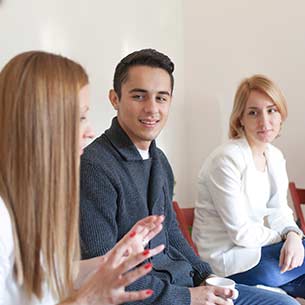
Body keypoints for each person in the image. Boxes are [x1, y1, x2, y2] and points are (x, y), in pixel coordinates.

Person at [80, 50, 299, 305]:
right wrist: (187, 297)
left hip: (184, 286)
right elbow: (105, 274)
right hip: (157, 297)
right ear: (115, 99)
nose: (152, 108)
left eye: (161, 98)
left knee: (285, 304)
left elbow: (173, 233)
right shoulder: (95, 166)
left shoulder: (158, 160)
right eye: (139, 96)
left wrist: (205, 276)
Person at [0, 50, 166, 305]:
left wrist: (112, 260)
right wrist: (87, 300)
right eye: (79, 117)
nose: (89, 132)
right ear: (42, 123)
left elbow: (52, 276)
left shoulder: (32, 201)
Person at [192, 74, 305, 299]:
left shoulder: (274, 156)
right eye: (253, 112)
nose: (264, 121)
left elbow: (279, 210)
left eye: (271, 110)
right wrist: (284, 238)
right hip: (230, 265)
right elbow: (240, 233)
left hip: (259, 254)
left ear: (281, 113)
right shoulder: (226, 159)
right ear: (240, 118)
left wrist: (292, 234)